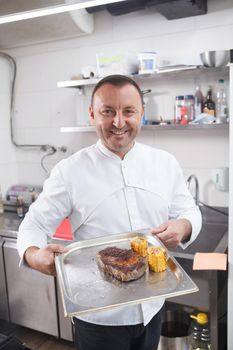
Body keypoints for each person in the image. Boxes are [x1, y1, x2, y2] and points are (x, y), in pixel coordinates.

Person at [17, 74, 202, 350]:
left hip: (153, 309)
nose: (118, 123)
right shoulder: (70, 171)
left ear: (141, 113)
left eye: (128, 111)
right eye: (107, 112)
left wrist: (185, 225)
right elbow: (32, 225)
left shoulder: (164, 163)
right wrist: (34, 254)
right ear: (92, 114)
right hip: (98, 320)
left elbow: (189, 209)